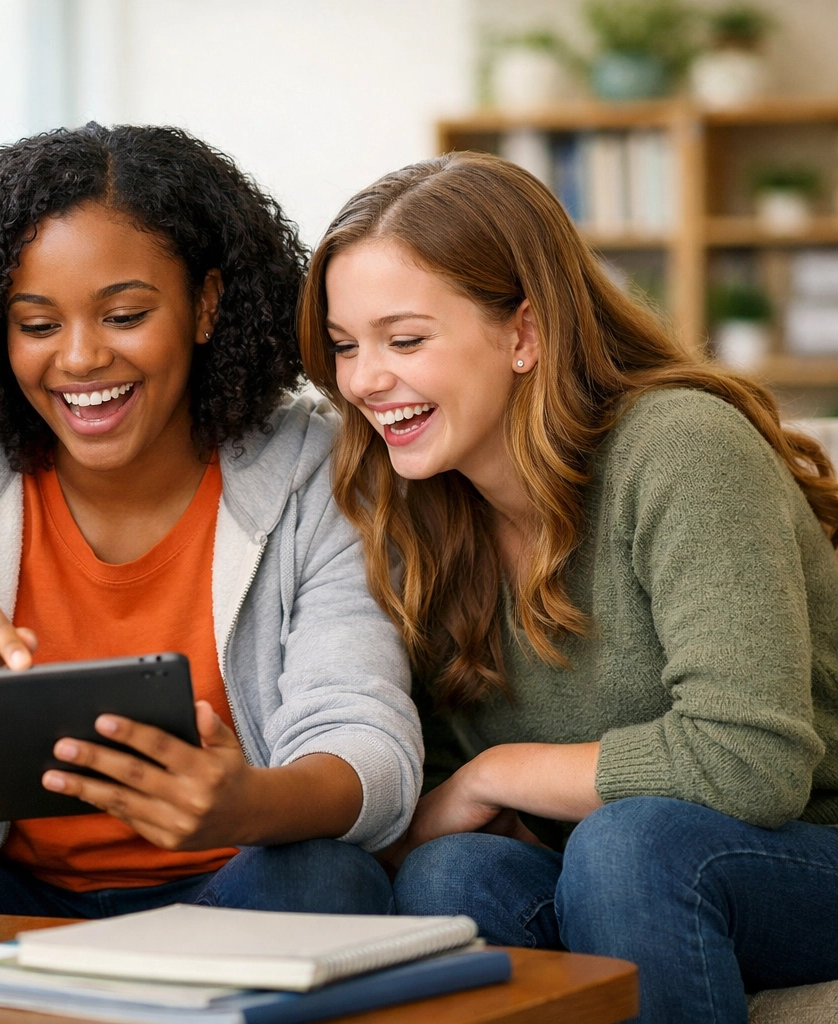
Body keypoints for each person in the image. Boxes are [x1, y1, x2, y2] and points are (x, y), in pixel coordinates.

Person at [0, 123, 420, 918]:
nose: (79, 359)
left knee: (327, 875)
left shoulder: (312, 465)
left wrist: (245, 803)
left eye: (123, 316)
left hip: (227, 886)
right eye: (38, 325)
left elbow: (372, 752)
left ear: (206, 305)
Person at [299, 150, 838, 1023]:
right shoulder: (417, 508)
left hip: (805, 852)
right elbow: (434, 790)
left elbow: (752, 763)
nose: (363, 380)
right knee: (455, 871)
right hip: (601, 865)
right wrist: (474, 796)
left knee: (633, 847)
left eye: (404, 340)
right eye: (344, 346)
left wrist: (501, 773)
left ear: (524, 334)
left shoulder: (680, 449)